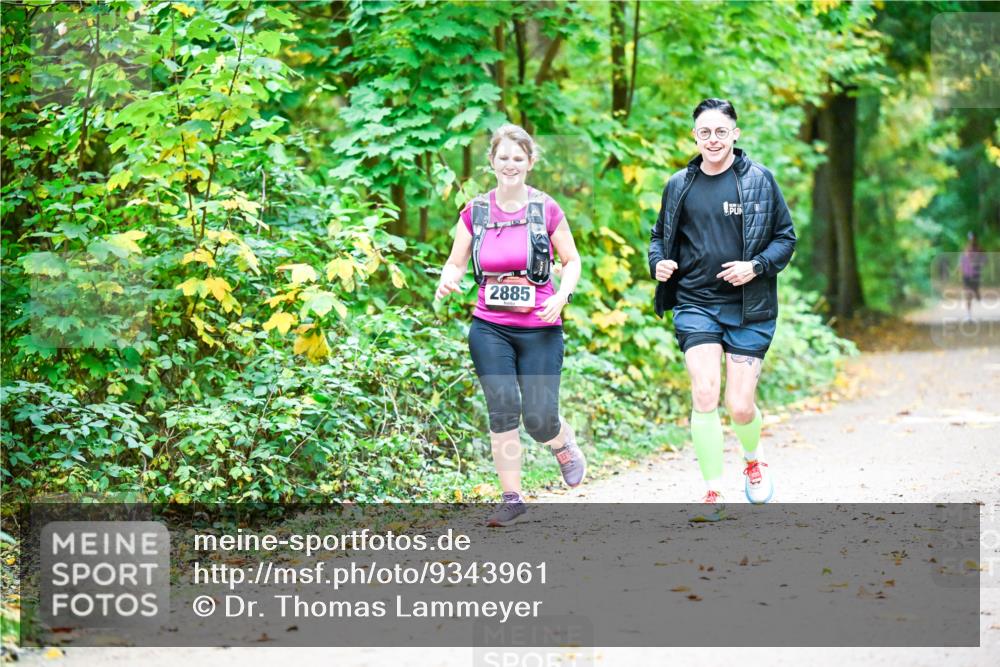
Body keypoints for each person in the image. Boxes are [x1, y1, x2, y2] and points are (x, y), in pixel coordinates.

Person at [647, 98, 796, 520]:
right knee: (705, 392)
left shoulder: (760, 181)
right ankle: (713, 491)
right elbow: (659, 237)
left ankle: (753, 459)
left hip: (750, 307)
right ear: (695, 136)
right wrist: (658, 262)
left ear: (735, 134)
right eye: (704, 132)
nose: (712, 139)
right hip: (696, 302)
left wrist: (756, 267)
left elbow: (786, 239)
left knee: (740, 405)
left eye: (720, 131)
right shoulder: (679, 184)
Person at [435, 123, 585, 527]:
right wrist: (448, 277)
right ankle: (512, 498)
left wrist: (561, 296)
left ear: (530, 162)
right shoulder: (476, 211)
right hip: (490, 326)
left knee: (538, 419)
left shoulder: (546, 208)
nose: (510, 164)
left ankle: (561, 440)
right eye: (503, 157)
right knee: (502, 407)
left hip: (540, 324)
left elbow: (572, 262)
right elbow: (456, 261)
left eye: (518, 158)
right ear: (492, 162)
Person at [960, 232, 985, 321]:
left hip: (976, 274)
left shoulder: (980, 249)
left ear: (975, 238)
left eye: (973, 238)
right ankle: (969, 315)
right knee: (968, 293)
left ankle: (978, 295)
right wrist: (962, 267)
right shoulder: (966, 249)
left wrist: (979, 263)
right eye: (970, 238)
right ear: (969, 239)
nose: (972, 240)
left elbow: (985, 260)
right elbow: (962, 260)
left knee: (975, 291)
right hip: (967, 274)